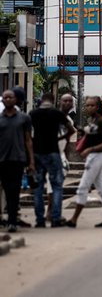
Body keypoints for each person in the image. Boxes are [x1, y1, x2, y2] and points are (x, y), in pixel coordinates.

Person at [65, 96, 102, 228]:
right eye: (87, 105)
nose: (88, 108)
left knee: (82, 188)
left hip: (96, 156)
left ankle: (74, 219)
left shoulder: (101, 122)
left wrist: (89, 150)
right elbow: (90, 133)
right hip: (95, 156)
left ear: (97, 107)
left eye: (91, 105)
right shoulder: (92, 120)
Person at [30, 93, 75, 228]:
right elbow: (71, 130)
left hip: (37, 153)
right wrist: (61, 139)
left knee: (38, 188)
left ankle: (39, 220)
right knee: (56, 186)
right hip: (53, 152)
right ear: (54, 100)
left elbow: (27, 133)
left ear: (41, 101)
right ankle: (55, 218)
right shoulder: (57, 114)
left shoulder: (33, 113)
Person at [0, 90, 35, 233]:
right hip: (2, 160)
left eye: (11, 97)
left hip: (18, 159)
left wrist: (31, 161)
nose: (8, 99)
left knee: (14, 191)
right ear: (2, 100)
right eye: (5, 97)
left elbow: (28, 140)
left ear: (16, 100)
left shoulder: (24, 118)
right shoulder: (0, 119)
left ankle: (12, 221)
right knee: (4, 190)